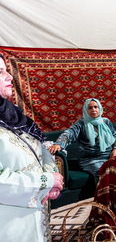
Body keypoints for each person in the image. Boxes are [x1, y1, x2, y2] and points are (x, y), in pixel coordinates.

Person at [0, 54, 63, 242]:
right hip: (10, 224)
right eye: (0, 72)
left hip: (37, 216)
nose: (9, 76)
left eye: (6, 70)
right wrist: (45, 181)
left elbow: (41, 147)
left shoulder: (16, 116)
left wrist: (53, 179)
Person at [48, 98, 116, 184]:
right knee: (103, 172)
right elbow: (69, 134)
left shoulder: (105, 122)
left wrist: (115, 149)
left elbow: (115, 137)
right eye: (90, 108)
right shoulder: (81, 124)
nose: (93, 109)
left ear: (100, 108)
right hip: (90, 159)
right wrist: (58, 144)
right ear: (85, 110)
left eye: (96, 107)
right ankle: (104, 196)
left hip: (109, 156)